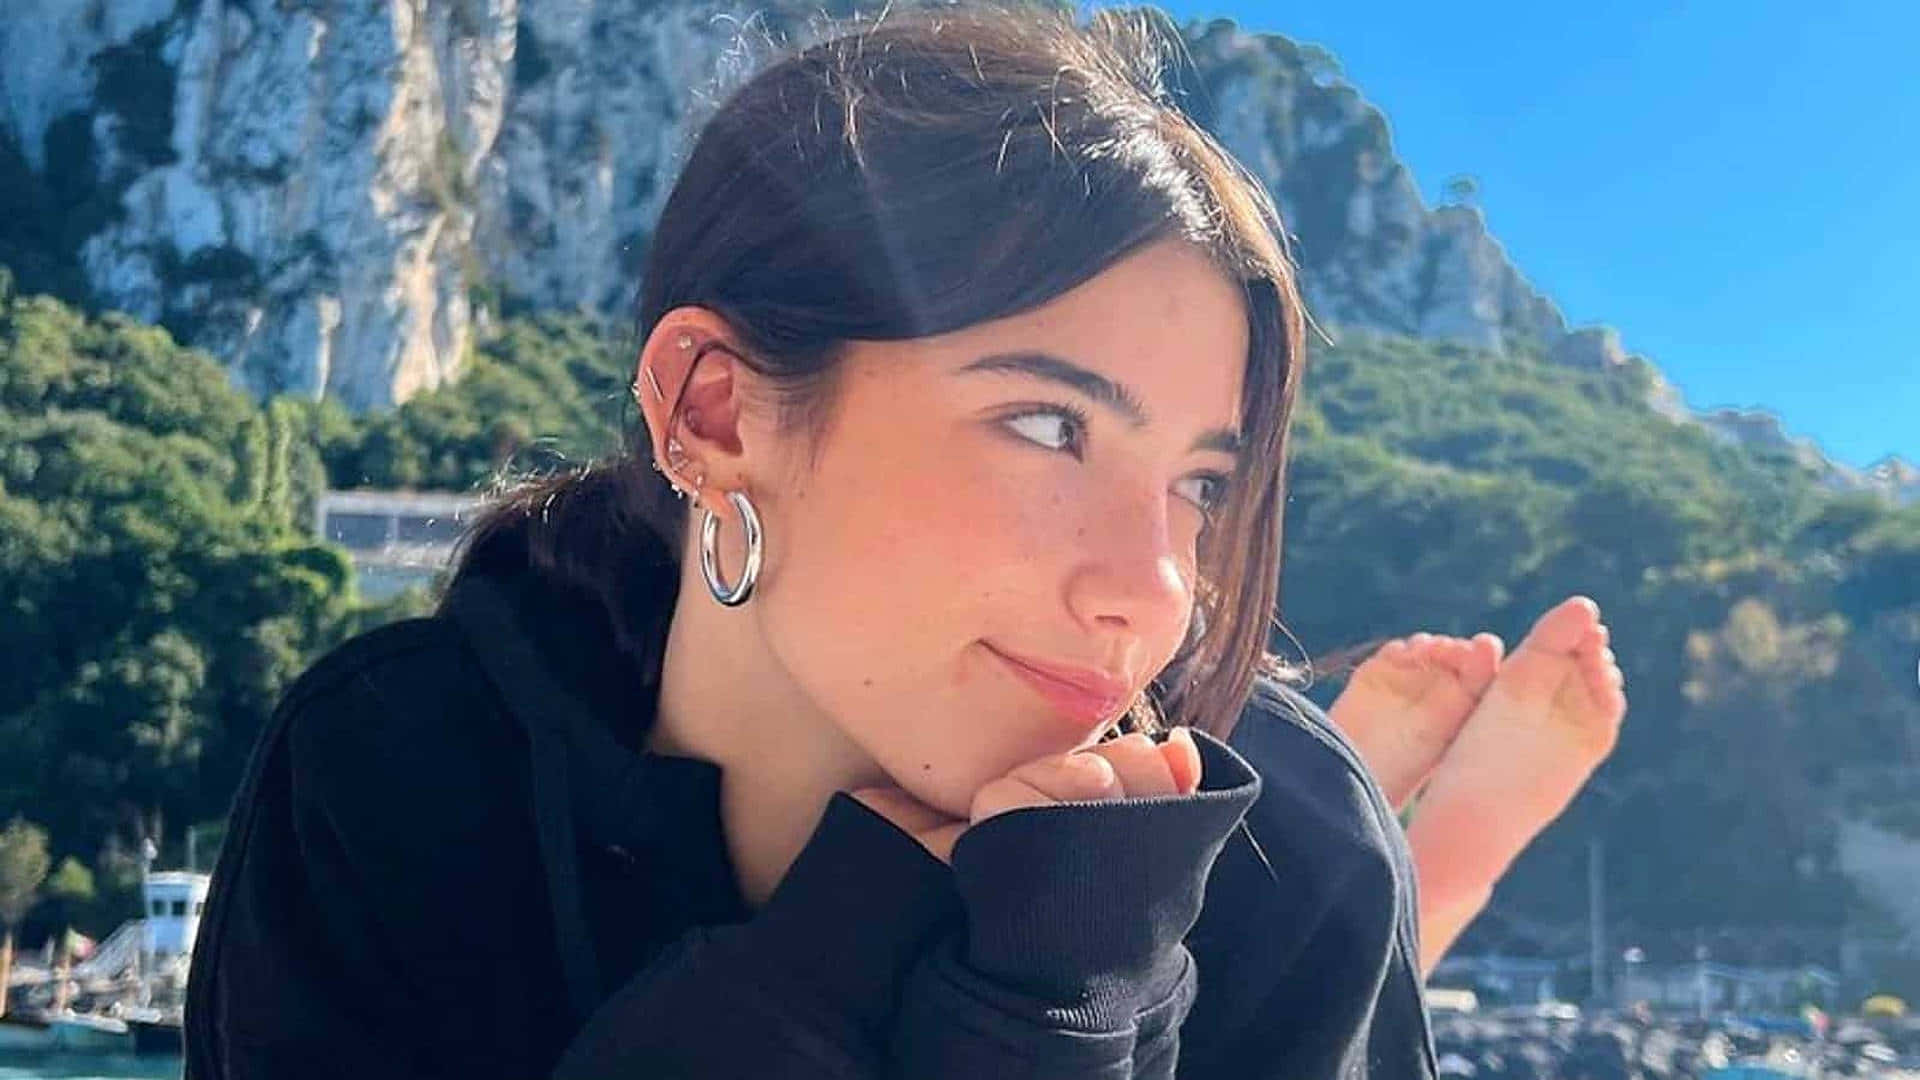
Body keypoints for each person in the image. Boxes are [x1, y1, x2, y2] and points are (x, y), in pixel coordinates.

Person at [182, 6, 1625, 1078]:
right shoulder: (399, 783)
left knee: (1329, 819)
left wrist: (1075, 995)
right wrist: (877, 970)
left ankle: (1430, 875)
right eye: (1050, 427)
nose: (1157, 593)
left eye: (1198, 484)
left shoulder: (1283, 855)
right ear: (714, 410)